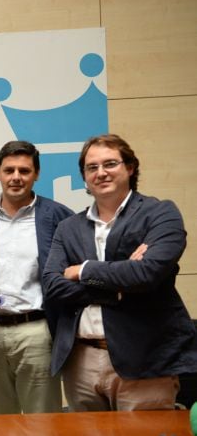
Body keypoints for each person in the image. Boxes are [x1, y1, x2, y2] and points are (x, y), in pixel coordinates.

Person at [43, 134, 197, 411]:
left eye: (110, 164)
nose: (101, 173)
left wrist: (84, 270)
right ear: (84, 176)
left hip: (145, 359)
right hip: (81, 361)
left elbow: (147, 274)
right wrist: (118, 283)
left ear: (130, 167)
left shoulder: (160, 214)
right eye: (92, 167)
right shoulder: (68, 227)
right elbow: (52, 285)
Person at [0, 140, 73, 414]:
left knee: (42, 425)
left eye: (24, 171)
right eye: (9, 170)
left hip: (36, 332)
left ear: (36, 174)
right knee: (1, 425)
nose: (16, 177)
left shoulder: (59, 216)